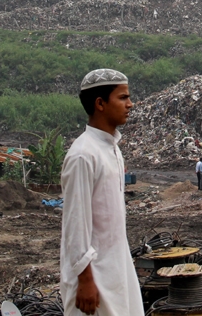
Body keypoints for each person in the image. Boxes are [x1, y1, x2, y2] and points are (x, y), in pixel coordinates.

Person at [59, 68, 143, 316]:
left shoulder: (112, 149)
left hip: (116, 268)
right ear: (100, 104)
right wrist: (85, 280)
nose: (131, 104)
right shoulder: (83, 155)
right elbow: (75, 223)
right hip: (93, 277)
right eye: (123, 97)